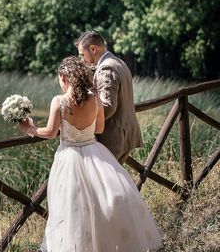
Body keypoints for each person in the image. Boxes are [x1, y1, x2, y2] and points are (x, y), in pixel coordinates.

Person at [19, 56, 161, 252]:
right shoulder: (95, 99)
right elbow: (99, 128)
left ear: (63, 77)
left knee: (72, 208)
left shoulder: (59, 101)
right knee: (101, 203)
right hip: (95, 153)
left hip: (69, 156)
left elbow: (50, 133)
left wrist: (30, 128)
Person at [75, 30, 143, 164]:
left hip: (113, 137)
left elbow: (108, 106)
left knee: (106, 182)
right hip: (126, 132)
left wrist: (86, 125)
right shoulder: (118, 62)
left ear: (93, 49)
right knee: (116, 181)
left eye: (82, 54)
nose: (82, 59)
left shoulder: (106, 68)